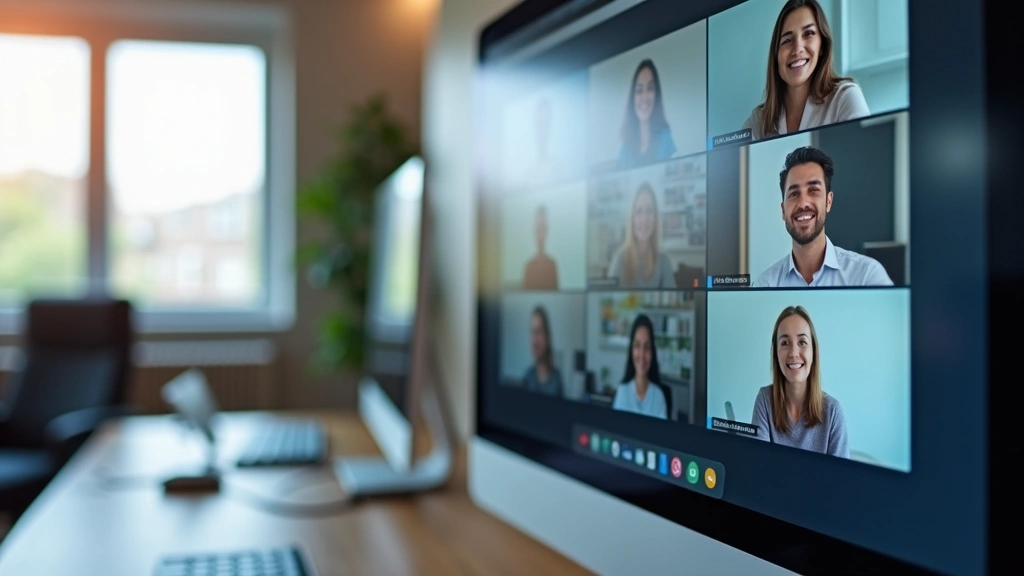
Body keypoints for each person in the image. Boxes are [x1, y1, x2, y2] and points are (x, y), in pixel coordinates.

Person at [752, 146, 892, 287]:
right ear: (783, 210)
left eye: (813, 190)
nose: (803, 203)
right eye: (794, 194)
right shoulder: (766, 283)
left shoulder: (867, 275)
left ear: (828, 201)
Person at [741, 0, 869, 141]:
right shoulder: (758, 121)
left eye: (808, 33)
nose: (797, 49)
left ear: (822, 46)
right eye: (787, 40)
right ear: (776, 55)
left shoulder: (845, 98)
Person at [751, 306, 849, 457]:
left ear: (813, 351)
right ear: (776, 353)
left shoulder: (833, 412)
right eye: (784, 343)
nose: (793, 353)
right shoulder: (765, 400)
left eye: (802, 342)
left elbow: (840, 479)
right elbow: (758, 466)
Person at [607, 183, 676, 288]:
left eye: (649, 211)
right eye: (639, 212)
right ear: (632, 219)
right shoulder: (619, 259)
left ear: (655, 217)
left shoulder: (664, 261)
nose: (644, 219)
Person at [618, 59, 676, 169]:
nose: (644, 98)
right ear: (632, 97)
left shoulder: (666, 140)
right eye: (639, 90)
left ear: (656, 94)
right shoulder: (624, 151)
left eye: (650, 89)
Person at [611, 314, 668, 419]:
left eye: (647, 347)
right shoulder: (622, 393)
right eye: (637, 345)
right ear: (631, 350)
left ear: (652, 352)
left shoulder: (659, 396)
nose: (641, 355)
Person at [522, 306, 563, 397]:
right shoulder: (527, 377)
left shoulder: (557, 380)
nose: (534, 341)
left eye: (539, 332)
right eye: (533, 332)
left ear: (547, 337)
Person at [522, 205, 559, 289]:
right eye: (538, 228)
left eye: (543, 228)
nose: (540, 234)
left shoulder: (552, 266)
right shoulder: (528, 267)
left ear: (547, 231)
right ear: (534, 231)